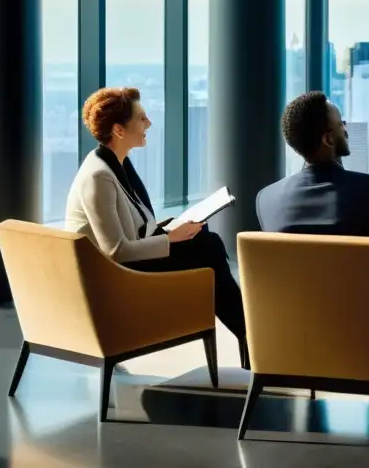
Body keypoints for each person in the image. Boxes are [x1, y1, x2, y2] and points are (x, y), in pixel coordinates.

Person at [64, 87, 248, 368]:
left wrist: (173, 228)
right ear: (119, 130)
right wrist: (170, 239)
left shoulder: (116, 165)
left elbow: (135, 225)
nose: (148, 124)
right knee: (209, 247)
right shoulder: (99, 177)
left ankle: (248, 333)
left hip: (127, 264)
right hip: (114, 278)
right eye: (141, 118)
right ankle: (250, 334)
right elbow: (116, 251)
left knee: (204, 239)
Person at [256, 92, 369, 278]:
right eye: (340, 123)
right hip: (358, 307)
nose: (345, 128)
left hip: (290, 307)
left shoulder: (266, 198)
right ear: (328, 140)